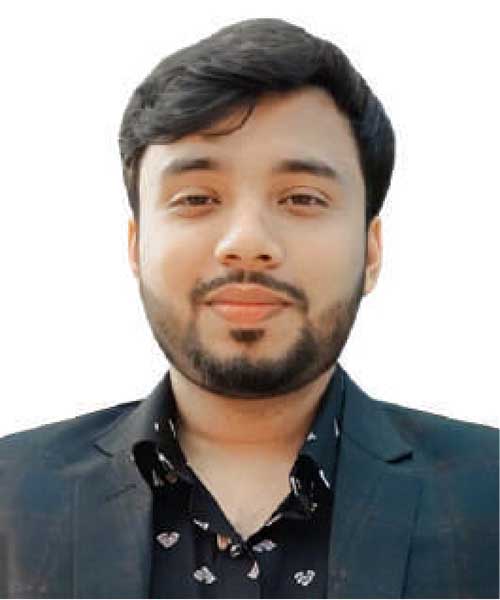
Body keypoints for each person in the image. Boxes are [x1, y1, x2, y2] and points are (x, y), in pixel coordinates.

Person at [0, 17, 498, 599]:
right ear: (136, 245)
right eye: (196, 197)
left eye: (302, 198)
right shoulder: (12, 496)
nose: (246, 241)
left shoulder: (488, 494)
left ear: (371, 250)